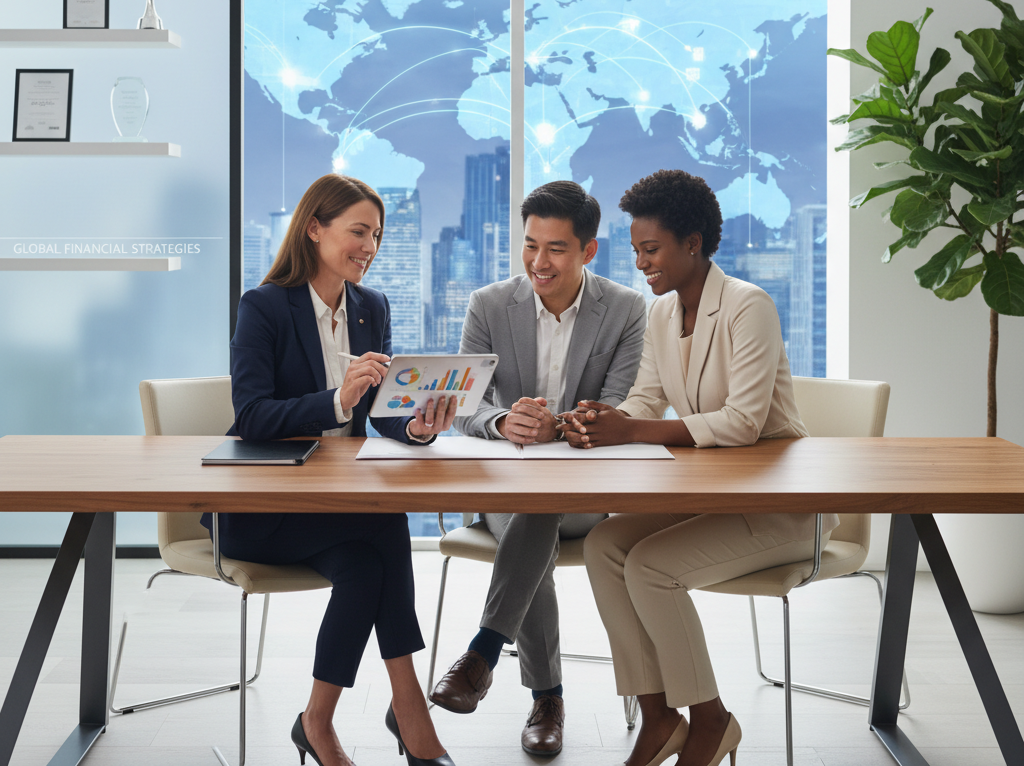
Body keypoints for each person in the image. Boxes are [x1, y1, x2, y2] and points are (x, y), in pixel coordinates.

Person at [563, 169, 839, 766]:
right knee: (604, 546)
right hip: (718, 498)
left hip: (783, 508)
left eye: (651, 249)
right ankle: (660, 718)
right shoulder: (662, 314)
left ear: (693, 243)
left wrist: (632, 431)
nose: (640, 263)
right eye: (636, 250)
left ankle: (711, 721)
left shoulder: (748, 306)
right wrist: (600, 420)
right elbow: (645, 400)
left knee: (651, 568)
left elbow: (742, 422)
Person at [204, 174, 457, 766]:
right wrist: (336, 401)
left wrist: (419, 425)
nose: (370, 247)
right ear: (315, 229)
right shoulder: (264, 306)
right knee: (386, 522)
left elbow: (381, 412)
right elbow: (252, 415)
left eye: (377, 236)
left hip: (333, 510)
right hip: (260, 510)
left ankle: (316, 722)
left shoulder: (371, 306)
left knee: (367, 568)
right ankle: (410, 709)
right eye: (359, 232)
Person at [429, 180, 647, 756]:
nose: (538, 262)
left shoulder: (625, 309)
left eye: (555, 248)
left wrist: (563, 426)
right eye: (530, 245)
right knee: (533, 512)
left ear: (588, 251)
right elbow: (463, 405)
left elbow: (622, 406)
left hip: (588, 498)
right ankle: (547, 699)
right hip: (508, 492)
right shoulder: (489, 304)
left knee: (541, 509)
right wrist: (504, 422)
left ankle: (486, 654)